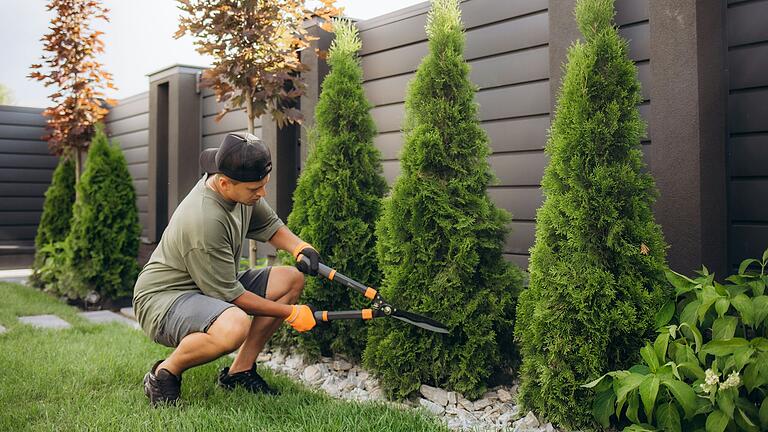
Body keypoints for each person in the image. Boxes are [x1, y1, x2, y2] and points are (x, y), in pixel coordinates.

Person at [132, 133, 320, 406]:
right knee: (233, 326)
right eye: (255, 189)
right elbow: (232, 297)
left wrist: (300, 247)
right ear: (224, 183)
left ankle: (239, 372)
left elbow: (270, 225)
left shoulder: (239, 186)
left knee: (290, 279)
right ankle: (164, 374)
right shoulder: (204, 220)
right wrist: (291, 313)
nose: (262, 193)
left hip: (208, 288)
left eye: (264, 185)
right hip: (164, 300)